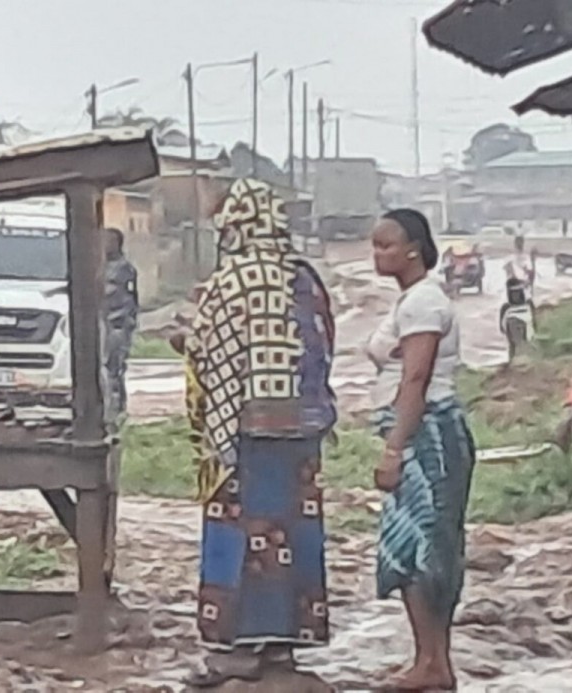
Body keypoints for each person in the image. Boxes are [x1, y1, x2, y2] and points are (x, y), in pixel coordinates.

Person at [180, 180, 337, 687]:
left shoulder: (231, 280)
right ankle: (285, 646)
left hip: (243, 433)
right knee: (292, 534)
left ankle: (235, 653)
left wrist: (186, 341)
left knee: (238, 536)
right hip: (302, 435)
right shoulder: (305, 277)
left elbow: (209, 349)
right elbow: (325, 344)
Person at [366, 208, 475, 692]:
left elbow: (416, 377)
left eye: (387, 244)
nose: (378, 254)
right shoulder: (412, 301)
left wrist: (394, 450)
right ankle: (432, 660)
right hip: (422, 429)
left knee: (417, 549)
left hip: (425, 433)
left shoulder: (423, 303)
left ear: (414, 248)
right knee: (426, 547)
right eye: (375, 245)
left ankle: (431, 661)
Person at [103, 228, 140, 425]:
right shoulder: (97, 266)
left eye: (110, 241)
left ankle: (118, 411)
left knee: (115, 368)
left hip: (118, 324)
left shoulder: (124, 269)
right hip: (102, 324)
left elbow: (131, 299)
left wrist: (129, 323)